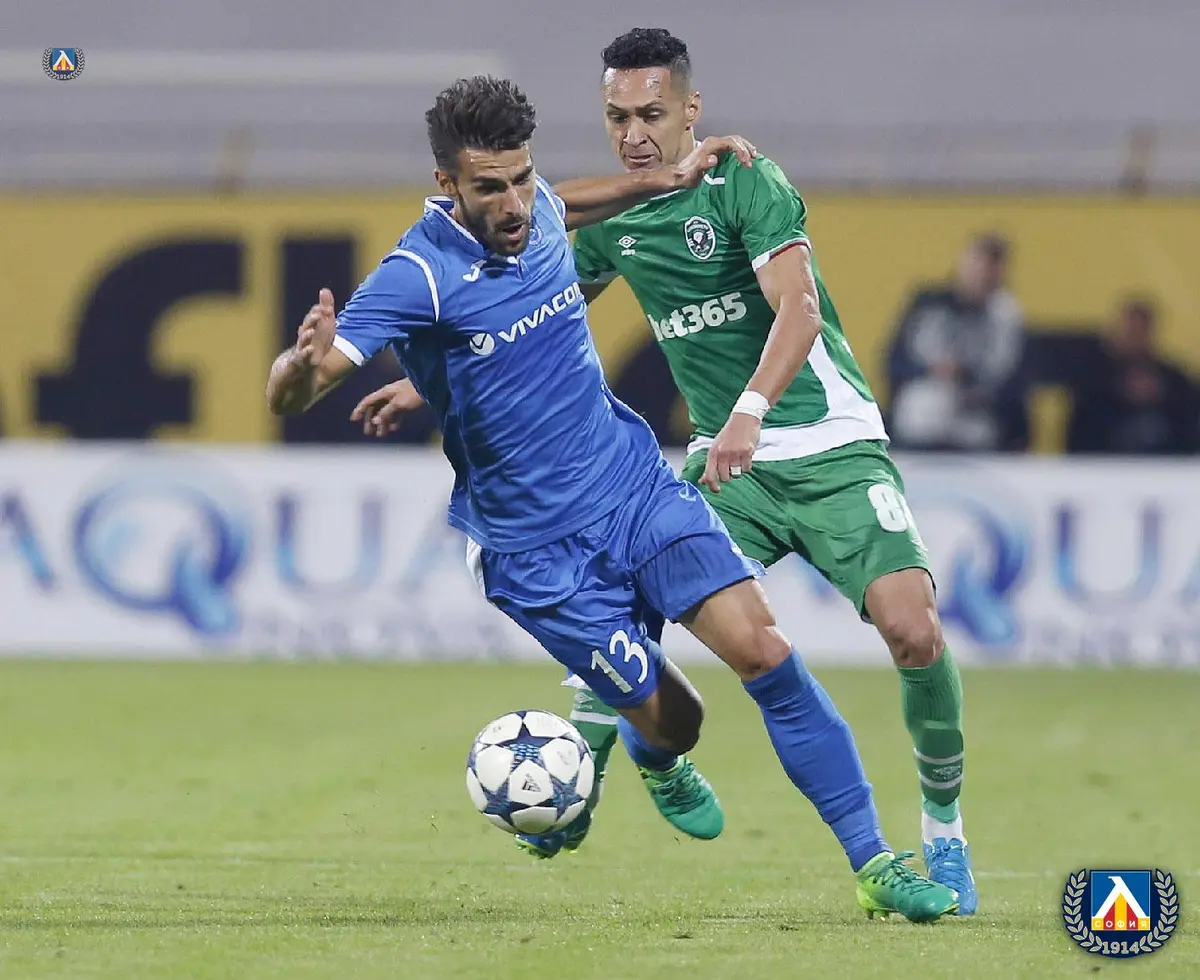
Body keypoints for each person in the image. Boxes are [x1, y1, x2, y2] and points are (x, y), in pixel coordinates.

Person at [343, 65, 963, 921]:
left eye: (651, 113)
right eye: (617, 116)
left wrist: (749, 409)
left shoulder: (736, 182)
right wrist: (422, 383)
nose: (633, 133)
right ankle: (640, 758)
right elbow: (520, 311)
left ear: (689, 109)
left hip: (785, 451)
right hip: (657, 489)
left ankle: (895, 854)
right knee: (669, 690)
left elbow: (797, 308)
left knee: (815, 643)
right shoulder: (544, 233)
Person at [886, 233, 1029, 452]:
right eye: (977, 265)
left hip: (979, 423)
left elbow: (1012, 383)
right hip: (920, 419)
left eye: (990, 268)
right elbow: (893, 364)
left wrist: (966, 375)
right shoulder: (928, 306)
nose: (981, 274)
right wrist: (931, 369)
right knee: (923, 406)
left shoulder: (1005, 316)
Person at [1066, 297, 1198, 455]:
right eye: (1129, 332)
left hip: (1167, 464)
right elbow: (1079, 436)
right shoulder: (1093, 382)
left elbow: (1190, 424)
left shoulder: (1175, 380)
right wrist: (1119, 395)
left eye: (1140, 332)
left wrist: (1163, 395)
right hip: (1107, 462)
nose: (1134, 339)